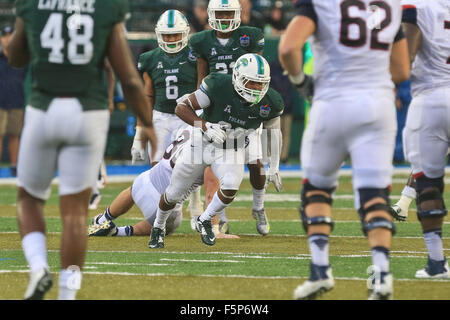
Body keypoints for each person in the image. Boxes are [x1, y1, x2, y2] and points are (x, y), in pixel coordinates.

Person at [7, 0, 157, 300]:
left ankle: (38, 268)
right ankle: (67, 293)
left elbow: (15, 55)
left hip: (44, 108)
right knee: (75, 212)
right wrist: (147, 124)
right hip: (88, 112)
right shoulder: (104, 6)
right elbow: (127, 76)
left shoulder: (33, 4)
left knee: (28, 198)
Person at [279, 0, 410, 300]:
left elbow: (288, 48)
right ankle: (381, 274)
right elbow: (402, 69)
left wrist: (302, 83)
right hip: (378, 106)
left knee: (317, 190)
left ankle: (320, 269)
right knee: (375, 194)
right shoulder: (390, 4)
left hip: (333, 102)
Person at [149, 53, 283, 248]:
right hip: (202, 143)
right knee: (174, 192)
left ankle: (206, 219)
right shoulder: (217, 84)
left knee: (230, 187)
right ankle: (158, 226)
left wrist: (275, 165)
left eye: (260, 84)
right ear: (237, 77)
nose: (256, 88)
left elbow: (274, 133)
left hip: (232, 147)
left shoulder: (272, 101)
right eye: (251, 82)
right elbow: (182, 108)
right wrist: (206, 126)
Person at [189, 0, 281, 237]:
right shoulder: (202, 41)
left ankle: (259, 207)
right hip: (218, 105)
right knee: (217, 162)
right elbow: (202, 75)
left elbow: (257, 68)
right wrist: (202, 107)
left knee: (255, 162)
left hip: (246, 102)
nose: (225, 17)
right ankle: (221, 215)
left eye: (229, 12)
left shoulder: (249, 36)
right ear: (210, 14)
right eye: (220, 13)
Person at [399, 0, 450, 278]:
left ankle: (436, 262)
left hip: (431, 97)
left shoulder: (419, 4)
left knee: (428, 184)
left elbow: (406, 55)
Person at [131, 10, 196, 167]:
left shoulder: (196, 56)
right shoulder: (150, 58)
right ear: (159, 34)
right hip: (161, 117)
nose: (172, 39)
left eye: (176, 35)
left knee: (188, 166)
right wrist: (139, 135)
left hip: (189, 116)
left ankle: (194, 193)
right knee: (157, 168)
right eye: (167, 35)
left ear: (185, 33)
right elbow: (147, 97)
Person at [0, 25, 27, 177]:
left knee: (14, 134)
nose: (7, 38)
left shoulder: (19, 56)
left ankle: (14, 166)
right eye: (5, 35)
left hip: (16, 100)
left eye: (11, 35)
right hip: (0, 101)